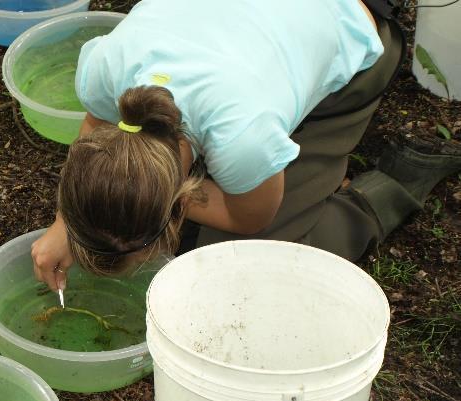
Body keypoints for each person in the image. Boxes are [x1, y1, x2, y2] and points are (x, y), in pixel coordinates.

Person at [31, 0, 461, 291]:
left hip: (353, 16)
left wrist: (158, 202)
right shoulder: (108, 66)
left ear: (172, 213)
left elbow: (250, 218)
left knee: (250, 265)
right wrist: (68, 220)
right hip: (254, 40)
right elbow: (95, 127)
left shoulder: (244, 139)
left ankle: (393, 186)